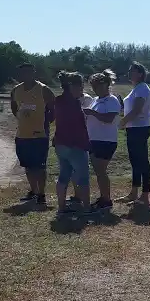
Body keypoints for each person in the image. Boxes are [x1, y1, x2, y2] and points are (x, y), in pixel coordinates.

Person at [9, 62, 55, 206]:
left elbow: (54, 108)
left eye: (29, 72)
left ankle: (41, 194)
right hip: (22, 134)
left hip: (39, 135)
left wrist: (45, 122)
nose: (26, 75)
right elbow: (14, 107)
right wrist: (22, 118)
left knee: (40, 167)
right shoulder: (16, 90)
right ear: (20, 74)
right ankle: (33, 191)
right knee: (27, 166)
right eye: (23, 72)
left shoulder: (43, 90)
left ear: (34, 73)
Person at [51, 71, 91, 214]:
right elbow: (78, 127)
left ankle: (62, 207)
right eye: (81, 86)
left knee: (64, 175)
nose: (82, 89)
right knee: (83, 178)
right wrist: (85, 143)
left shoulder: (58, 100)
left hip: (61, 144)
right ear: (72, 86)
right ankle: (87, 208)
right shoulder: (73, 103)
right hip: (75, 145)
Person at [84, 69, 121, 210]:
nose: (95, 89)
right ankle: (103, 197)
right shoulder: (95, 100)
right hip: (94, 139)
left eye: (97, 86)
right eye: (93, 86)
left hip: (106, 140)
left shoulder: (112, 100)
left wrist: (92, 113)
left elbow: (109, 119)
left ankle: (106, 199)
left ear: (106, 84)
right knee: (98, 171)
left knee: (101, 171)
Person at [118, 62, 150, 206]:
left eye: (133, 71)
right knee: (135, 162)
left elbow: (137, 110)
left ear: (140, 73)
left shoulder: (142, 88)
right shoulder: (136, 89)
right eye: (129, 71)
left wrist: (122, 122)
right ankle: (134, 193)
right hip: (133, 129)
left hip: (140, 129)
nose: (129, 73)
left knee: (142, 161)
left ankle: (145, 195)